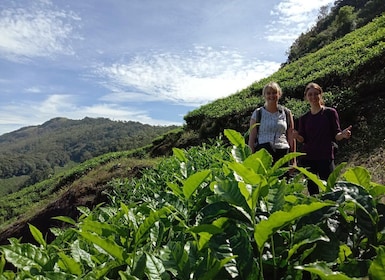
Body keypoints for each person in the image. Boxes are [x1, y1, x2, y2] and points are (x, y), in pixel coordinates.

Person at [292, 82, 352, 195]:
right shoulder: (304, 118)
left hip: (325, 156)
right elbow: (303, 139)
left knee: (329, 187)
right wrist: (296, 136)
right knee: (312, 189)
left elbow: (336, 135)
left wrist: (343, 135)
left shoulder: (330, 113)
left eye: (316, 94)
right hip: (309, 158)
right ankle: (317, 212)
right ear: (306, 97)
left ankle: (333, 211)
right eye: (310, 94)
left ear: (320, 95)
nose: (313, 97)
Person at [248, 81, 296, 164]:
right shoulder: (258, 113)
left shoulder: (287, 113)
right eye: (268, 93)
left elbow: (291, 136)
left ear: (279, 94)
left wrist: (293, 159)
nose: (271, 96)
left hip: (283, 151)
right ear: (264, 95)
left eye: (274, 93)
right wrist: (251, 159)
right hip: (263, 152)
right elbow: (252, 138)